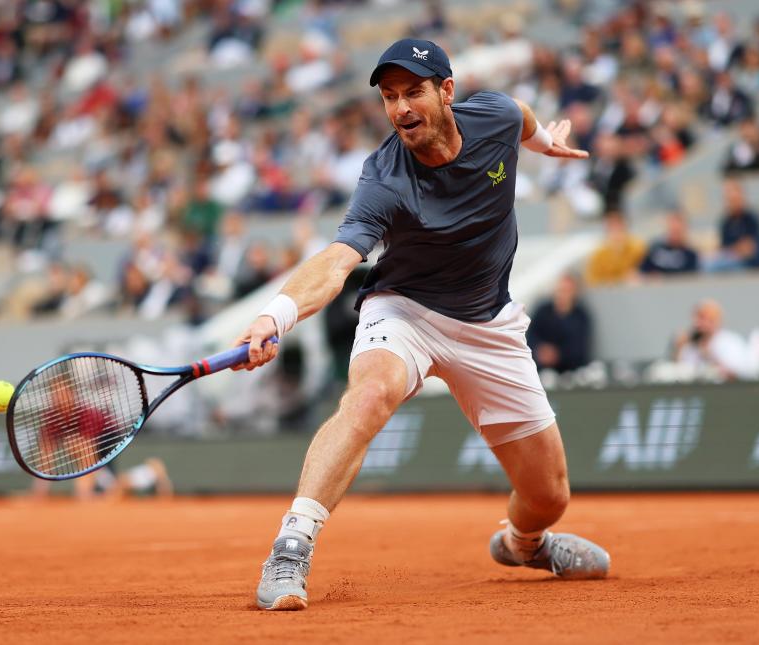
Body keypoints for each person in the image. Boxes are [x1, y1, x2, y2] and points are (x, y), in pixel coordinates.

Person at [233, 38, 610, 612]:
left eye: (413, 92)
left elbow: (523, 118)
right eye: (389, 97)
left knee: (549, 496)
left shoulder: (498, 117)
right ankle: (291, 547)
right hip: (405, 310)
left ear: (446, 92)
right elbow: (338, 260)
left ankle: (524, 545)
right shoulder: (383, 177)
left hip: (489, 322)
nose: (401, 108)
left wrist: (542, 142)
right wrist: (275, 314)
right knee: (368, 397)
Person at [527, 274, 593, 373]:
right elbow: (529, 336)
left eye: (567, 291)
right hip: (539, 370)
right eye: (560, 290)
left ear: (575, 293)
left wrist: (557, 355)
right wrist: (540, 350)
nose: (562, 295)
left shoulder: (581, 317)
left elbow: (580, 348)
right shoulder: (542, 311)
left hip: (569, 372)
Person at [672, 299, 752, 381]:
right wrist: (678, 348)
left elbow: (738, 373)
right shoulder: (690, 344)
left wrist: (708, 355)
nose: (697, 323)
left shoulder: (730, 342)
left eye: (703, 317)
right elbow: (679, 372)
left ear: (716, 320)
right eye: (696, 317)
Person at [584, 211, 646, 286]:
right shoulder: (599, 254)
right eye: (612, 228)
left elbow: (644, 271)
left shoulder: (637, 248)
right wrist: (613, 281)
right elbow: (591, 280)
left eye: (619, 227)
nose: (616, 232)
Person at [639, 211, 700, 275]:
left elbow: (692, 278)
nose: (675, 234)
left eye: (678, 231)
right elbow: (641, 272)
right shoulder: (655, 249)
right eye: (673, 230)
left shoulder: (690, 255)